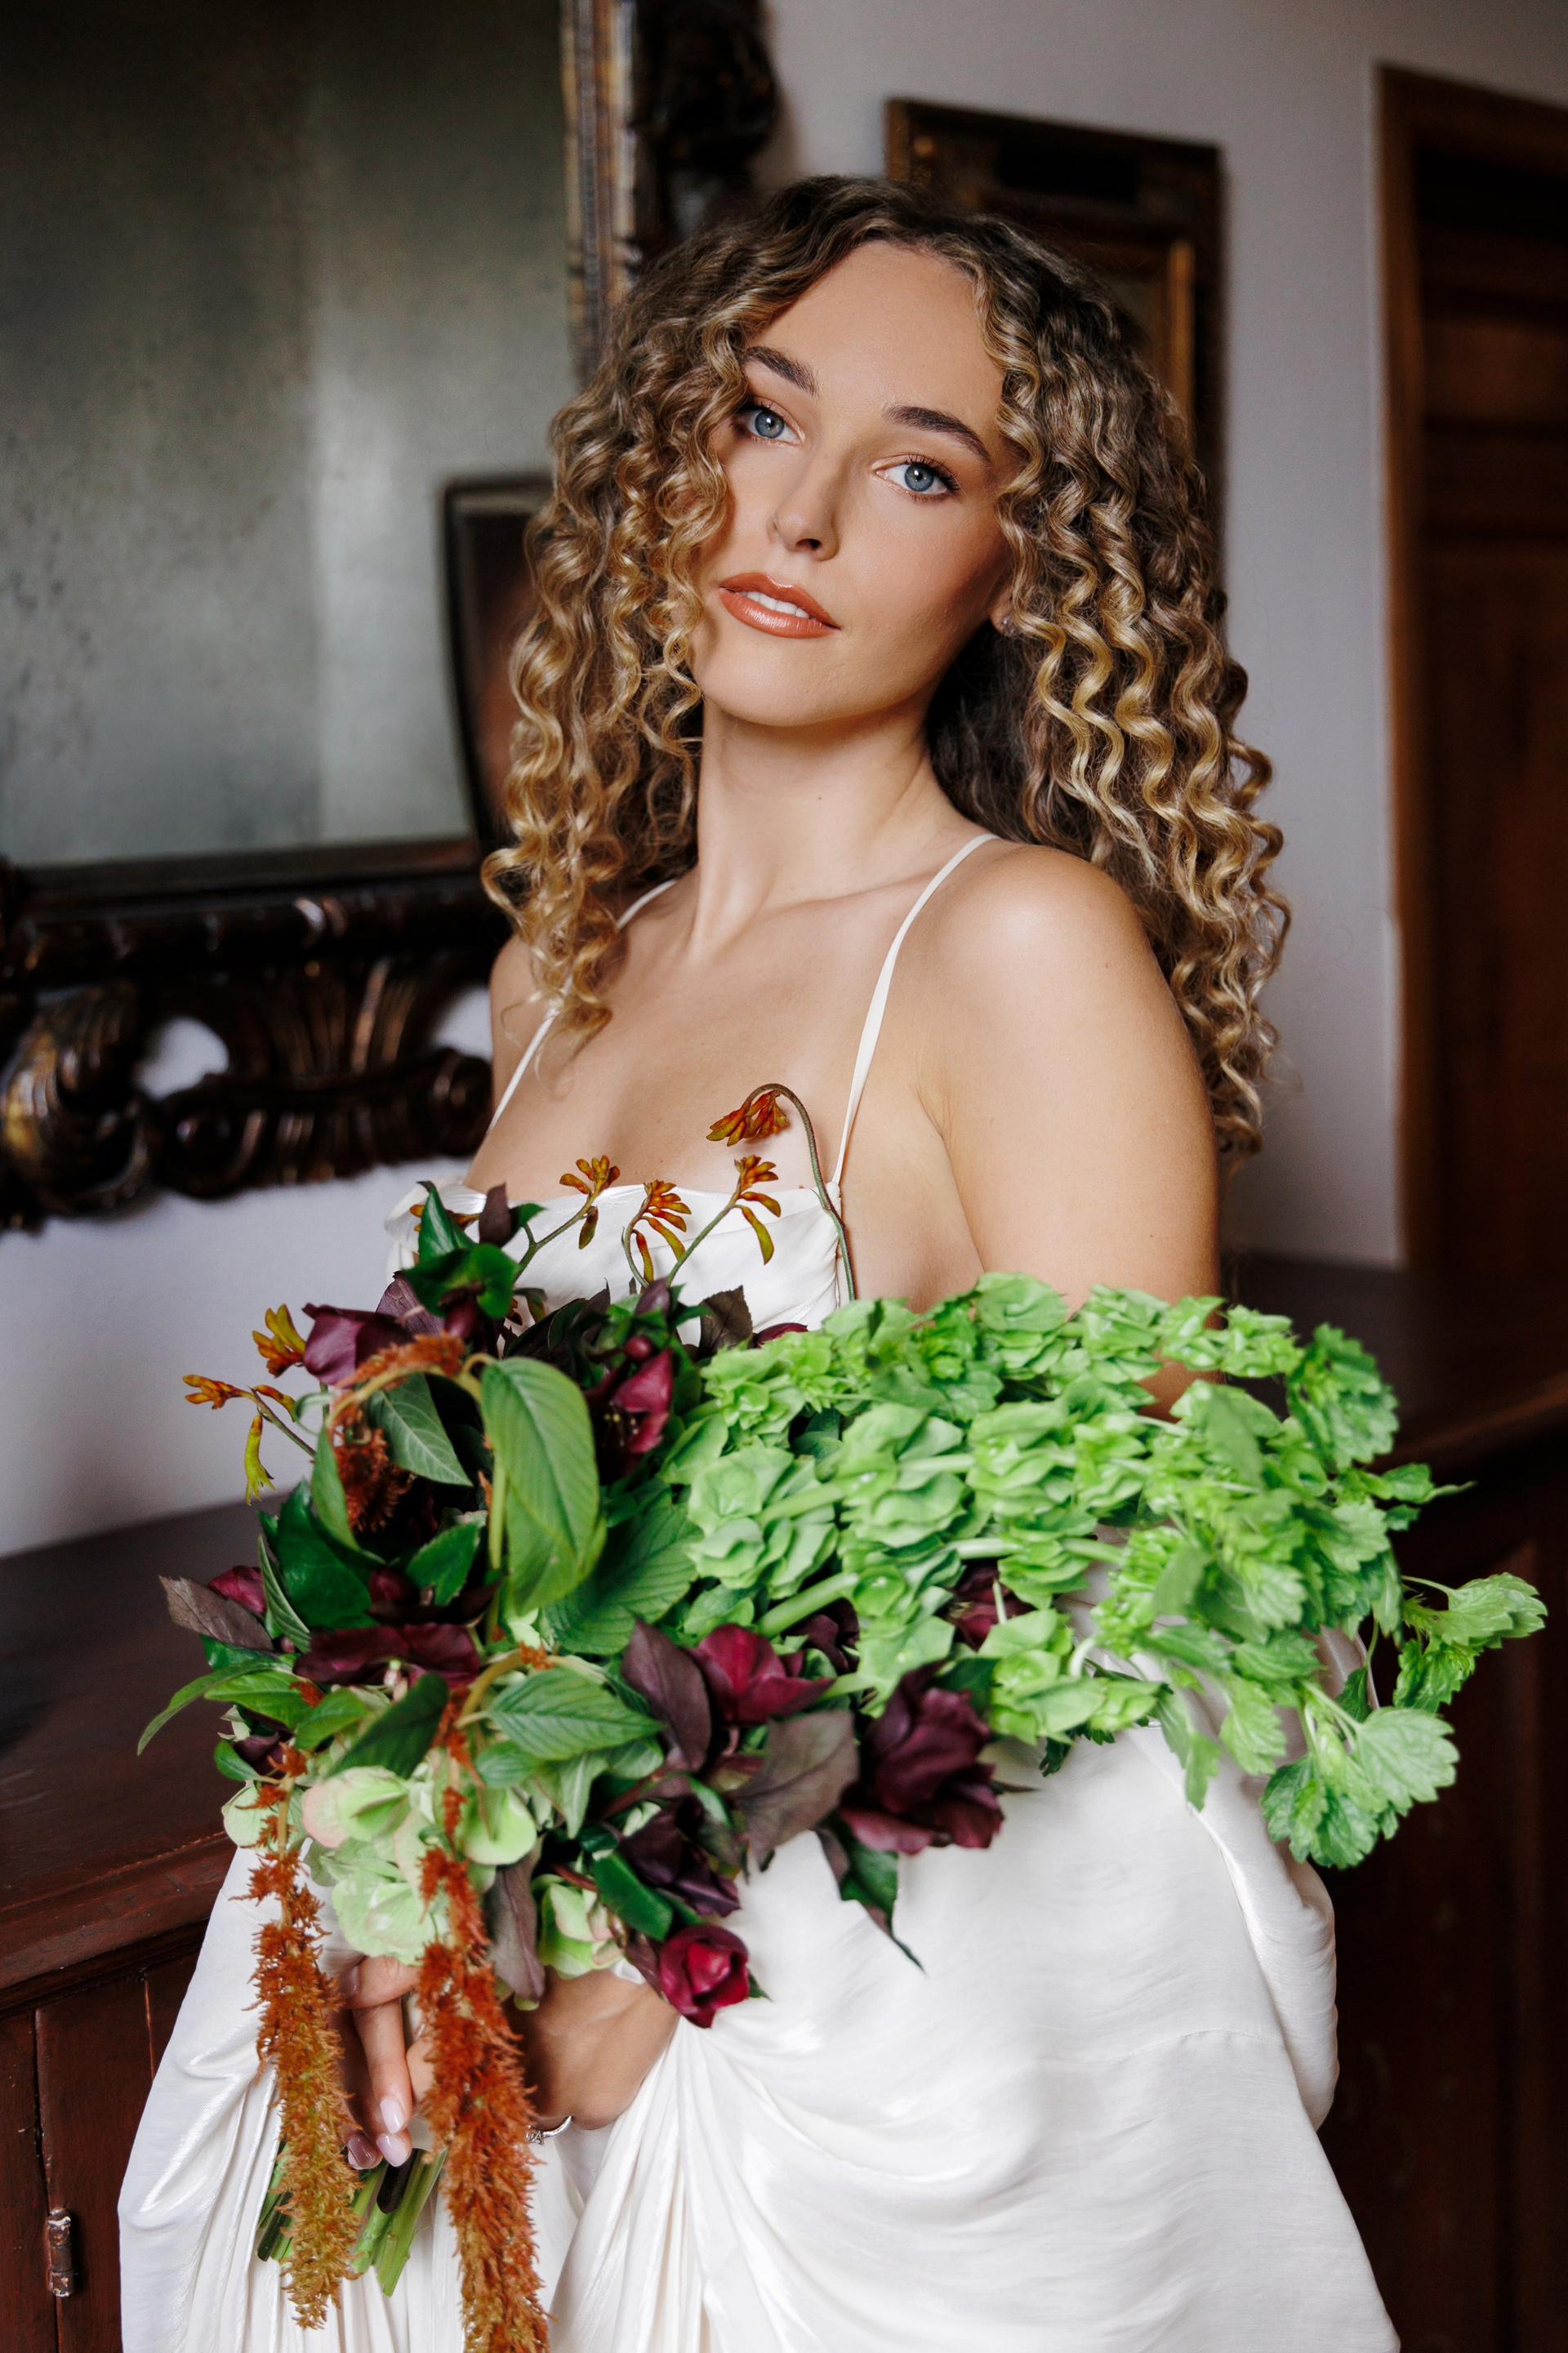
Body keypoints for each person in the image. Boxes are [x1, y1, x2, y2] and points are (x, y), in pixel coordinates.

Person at [121, 176, 1395, 2351]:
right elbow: (474, 1530)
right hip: (490, 1951)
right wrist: (398, 1852)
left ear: (1018, 568)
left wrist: (662, 1950)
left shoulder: (1019, 948)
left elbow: (1142, 1555)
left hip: (834, 2024)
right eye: (761, 414)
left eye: (920, 468)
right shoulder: (561, 971)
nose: (792, 515)